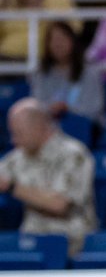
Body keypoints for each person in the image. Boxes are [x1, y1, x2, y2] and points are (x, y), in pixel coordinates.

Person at [0, 98, 96, 256]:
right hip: (28, 244)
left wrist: (11, 186)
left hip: (70, 242)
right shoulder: (18, 157)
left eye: (18, 133)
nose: (14, 140)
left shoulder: (74, 154)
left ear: (39, 126)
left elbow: (60, 204)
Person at [30, 21, 106, 129]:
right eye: (54, 40)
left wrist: (68, 109)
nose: (58, 45)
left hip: (84, 127)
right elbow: (37, 106)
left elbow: (94, 109)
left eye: (62, 39)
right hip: (49, 127)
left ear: (72, 41)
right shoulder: (40, 73)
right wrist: (51, 109)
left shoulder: (90, 72)